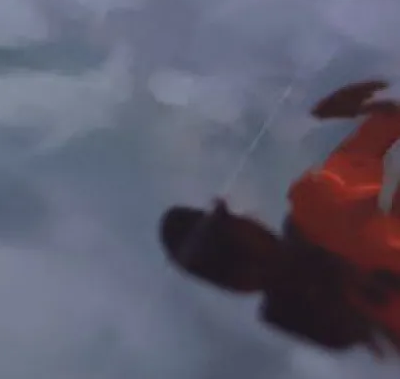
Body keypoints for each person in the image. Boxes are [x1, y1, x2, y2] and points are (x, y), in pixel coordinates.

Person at [161, 80, 400, 354]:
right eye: (234, 221)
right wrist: (352, 109)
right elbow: (391, 120)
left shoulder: (349, 320)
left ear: (237, 286)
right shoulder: (318, 206)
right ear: (242, 230)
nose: (247, 218)